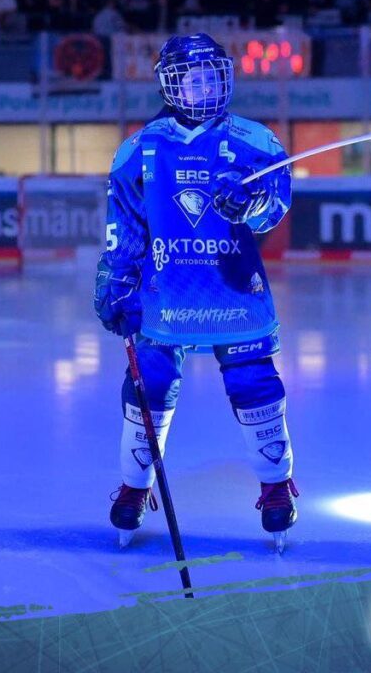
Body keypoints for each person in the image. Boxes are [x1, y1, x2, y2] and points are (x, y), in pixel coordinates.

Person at [93, 33, 298, 551]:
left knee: (254, 382)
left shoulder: (256, 141)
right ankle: (135, 486)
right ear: (171, 84)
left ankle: (276, 486)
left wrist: (250, 201)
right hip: (166, 294)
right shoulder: (139, 148)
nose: (205, 87)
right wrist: (116, 279)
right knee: (149, 386)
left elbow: (276, 207)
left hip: (233, 292)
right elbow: (125, 225)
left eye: (212, 76)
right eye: (194, 78)